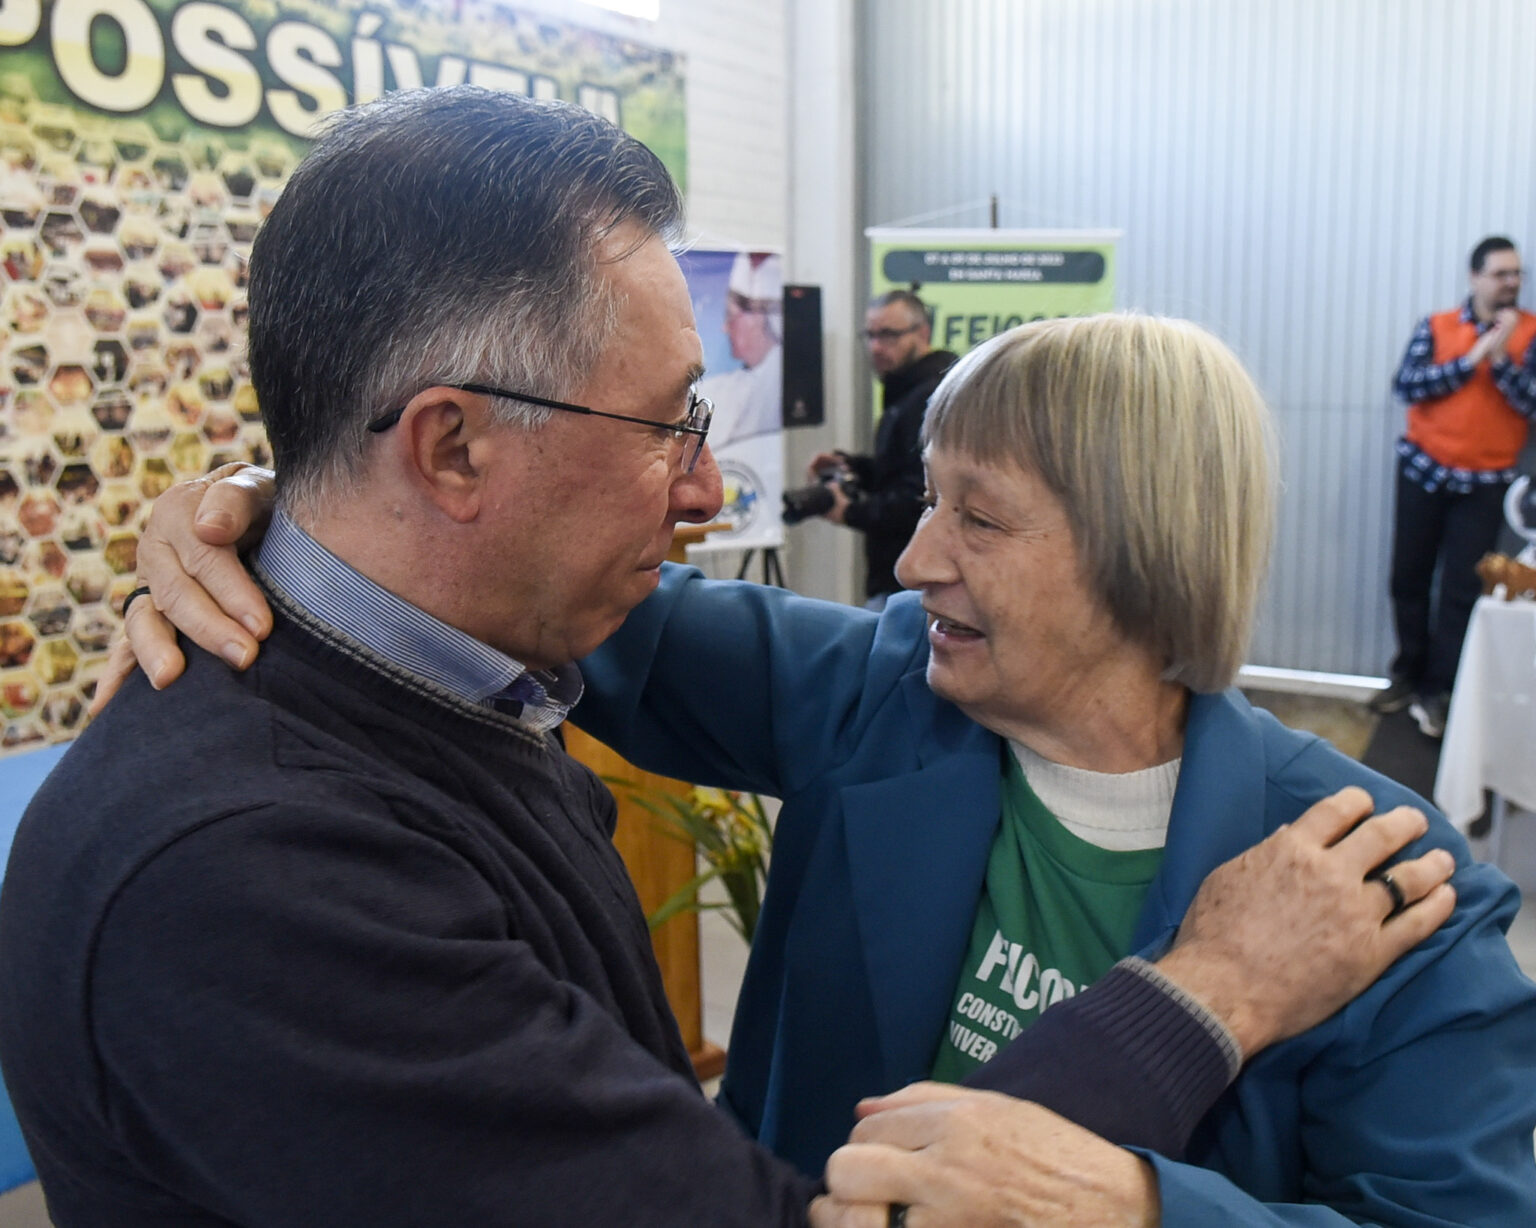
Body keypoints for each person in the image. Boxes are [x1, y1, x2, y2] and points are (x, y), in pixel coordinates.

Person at [0, 89, 1452, 1228]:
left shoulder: (1373, 873)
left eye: (984, 518)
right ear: (449, 444)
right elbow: (408, 528)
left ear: (1152, 543)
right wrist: (268, 499)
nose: (915, 557)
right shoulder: (867, 696)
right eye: (670, 426)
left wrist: (1147, 1212)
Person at [1374, 235, 1536, 737]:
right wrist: (1472, 360)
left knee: (1463, 590)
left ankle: (1438, 692)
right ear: (1475, 277)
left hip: (1485, 483)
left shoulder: (1530, 335)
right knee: (1409, 577)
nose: (1510, 283)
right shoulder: (1438, 325)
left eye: (1516, 274)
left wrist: (1504, 360)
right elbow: (1408, 385)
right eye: (1500, 273)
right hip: (1425, 471)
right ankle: (1408, 674)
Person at [805, 290, 956, 607]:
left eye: (888, 335)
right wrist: (854, 466)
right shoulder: (905, 391)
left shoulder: (930, 397)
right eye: (870, 336)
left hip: (913, 584)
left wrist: (849, 511)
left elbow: (922, 496)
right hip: (901, 578)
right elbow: (902, 470)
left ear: (923, 333)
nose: (876, 347)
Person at [699, 251, 783, 448]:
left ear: (759, 318)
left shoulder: (777, 382)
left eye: (730, 316)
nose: (725, 328)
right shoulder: (732, 386)